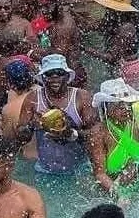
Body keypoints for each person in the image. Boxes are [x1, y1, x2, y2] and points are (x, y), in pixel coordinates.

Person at [17, 54, 111, 192]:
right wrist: (32, 125)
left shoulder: (81, 98)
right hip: (45, 171)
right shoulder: (33, 99)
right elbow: (20, 135)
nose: (54, 78)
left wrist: (70, 133)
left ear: (67, 77)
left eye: (59, 73)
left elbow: (97, 135)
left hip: (79, 171)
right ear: (43, 77)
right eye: (49, 74)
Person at [93, 79, 139, 199]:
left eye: (127, 104)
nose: (125, 108)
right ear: (106, 108)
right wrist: (120, 195)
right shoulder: (99, 133)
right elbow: (100, 174)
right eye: (118, 105)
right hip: (112, 193)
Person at [0, 59, 37, 161]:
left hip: (27, 161)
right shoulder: (42, 94)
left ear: (10, 84)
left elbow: (8, 142)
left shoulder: (8, 110)